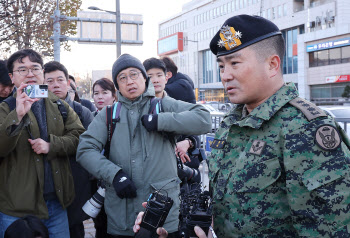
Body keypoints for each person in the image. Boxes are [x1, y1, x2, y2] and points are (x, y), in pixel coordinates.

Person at [207, 14, 350, 237]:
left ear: (272, 64)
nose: (225, 76)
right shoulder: (231, 123)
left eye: (234, 63)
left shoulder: (305, 128)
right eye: (221, 66)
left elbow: (329, 229)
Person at [77, 53, 212, 237]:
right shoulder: (109, 114)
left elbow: (204, 119)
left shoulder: (163, 105)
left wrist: (160, 121)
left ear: (144, 78)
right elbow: (85, 149)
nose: (129, 81)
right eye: (122, 78)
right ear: (117, 86)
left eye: (134, 74)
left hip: (162, 215)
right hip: (121, 216)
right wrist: (114, 175)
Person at [0, 49, 85, 237]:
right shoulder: (5, 108)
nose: (30, 74)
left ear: (42, 74)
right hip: (16, 210)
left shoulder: (59, 106)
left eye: (35, 68)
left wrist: (51, 145)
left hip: (55, 205)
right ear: (12, 77)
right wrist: (18, 115)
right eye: (22, 70)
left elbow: (80, 137)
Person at [43, 61, 94, 238]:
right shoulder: (36, 111)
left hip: (76, 182)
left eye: (60, 80)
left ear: (68, 82)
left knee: (75, 229)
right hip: (48, 187)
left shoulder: (82, 112)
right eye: (49, 81)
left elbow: (90, 146)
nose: (56, 85)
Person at [143, 58, 201, 186]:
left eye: (159, 75)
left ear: (167, 76)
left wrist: (188, 142)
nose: (155, 80)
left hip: (180, 169)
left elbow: (198, 125)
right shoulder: (136, 107)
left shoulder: (177, 96)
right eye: (150, 76)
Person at [91, 78, 117, 238]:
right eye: (96, 93)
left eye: (104, 92)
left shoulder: (120, 118)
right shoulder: (89, 117)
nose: (99, 97)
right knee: (100, 226)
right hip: (95, 182)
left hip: (117, 181)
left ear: (114, 95)